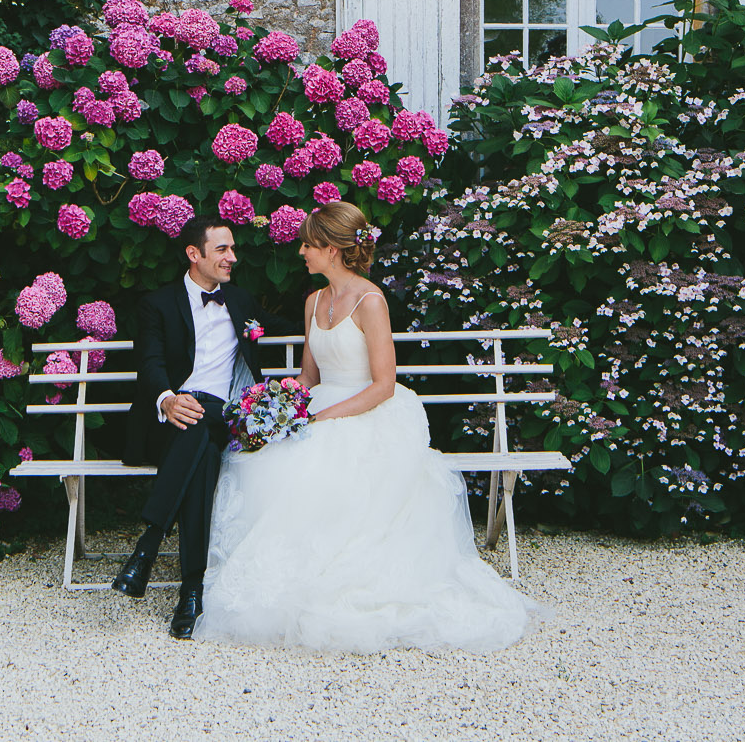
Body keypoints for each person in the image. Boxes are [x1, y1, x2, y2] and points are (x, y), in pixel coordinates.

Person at [194, 201, 541, 653]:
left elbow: (383, 385)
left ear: (332, 250)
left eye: (308, 244)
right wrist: (278, 406)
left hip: (369, 412)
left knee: (326, 467)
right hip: (321, 404)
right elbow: (309, 377)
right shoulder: (314, 301)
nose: (301, 251)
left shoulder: (370, 301)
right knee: (268, 460)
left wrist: (321, 418)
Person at [111, 216, 269, 639]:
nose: (232, 257)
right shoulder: (157, 304)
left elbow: (276, 339)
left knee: (203, 426)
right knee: (199, 443)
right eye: (222, 249)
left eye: (232, 249)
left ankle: (147, 548)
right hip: (171, 420)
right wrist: (167, 399)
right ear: (193, 254)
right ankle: (191, 591)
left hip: (220, 414)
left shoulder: (242, 301)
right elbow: (150, 363)